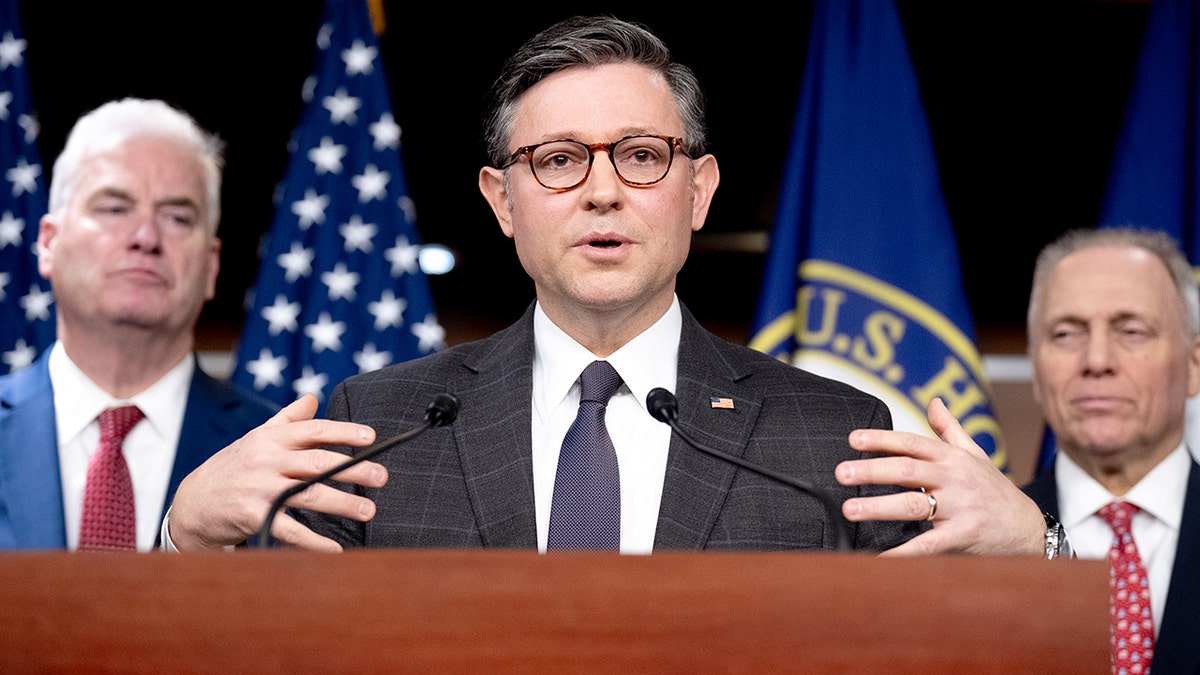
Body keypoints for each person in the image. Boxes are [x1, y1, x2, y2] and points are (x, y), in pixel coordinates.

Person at [165, 16, 1051, 557]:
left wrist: (1039, 548)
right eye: (556, 160)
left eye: (640, 154)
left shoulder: (834, 432)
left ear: (697, 190)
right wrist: (184, 539)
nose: (601, 189)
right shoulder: (378, 423)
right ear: (501, 200)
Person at [0, 98, 277, 551]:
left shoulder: (278, 454)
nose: (145, 237)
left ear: (210, 267)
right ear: (48, 244)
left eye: (177, 217)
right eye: (113, 208)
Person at [1020, 228, 1200, 673]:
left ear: (1194, 365)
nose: (1097, 360)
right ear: (1036, 369)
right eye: (1065, 334)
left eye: (1132, 332)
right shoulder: (978, 554)